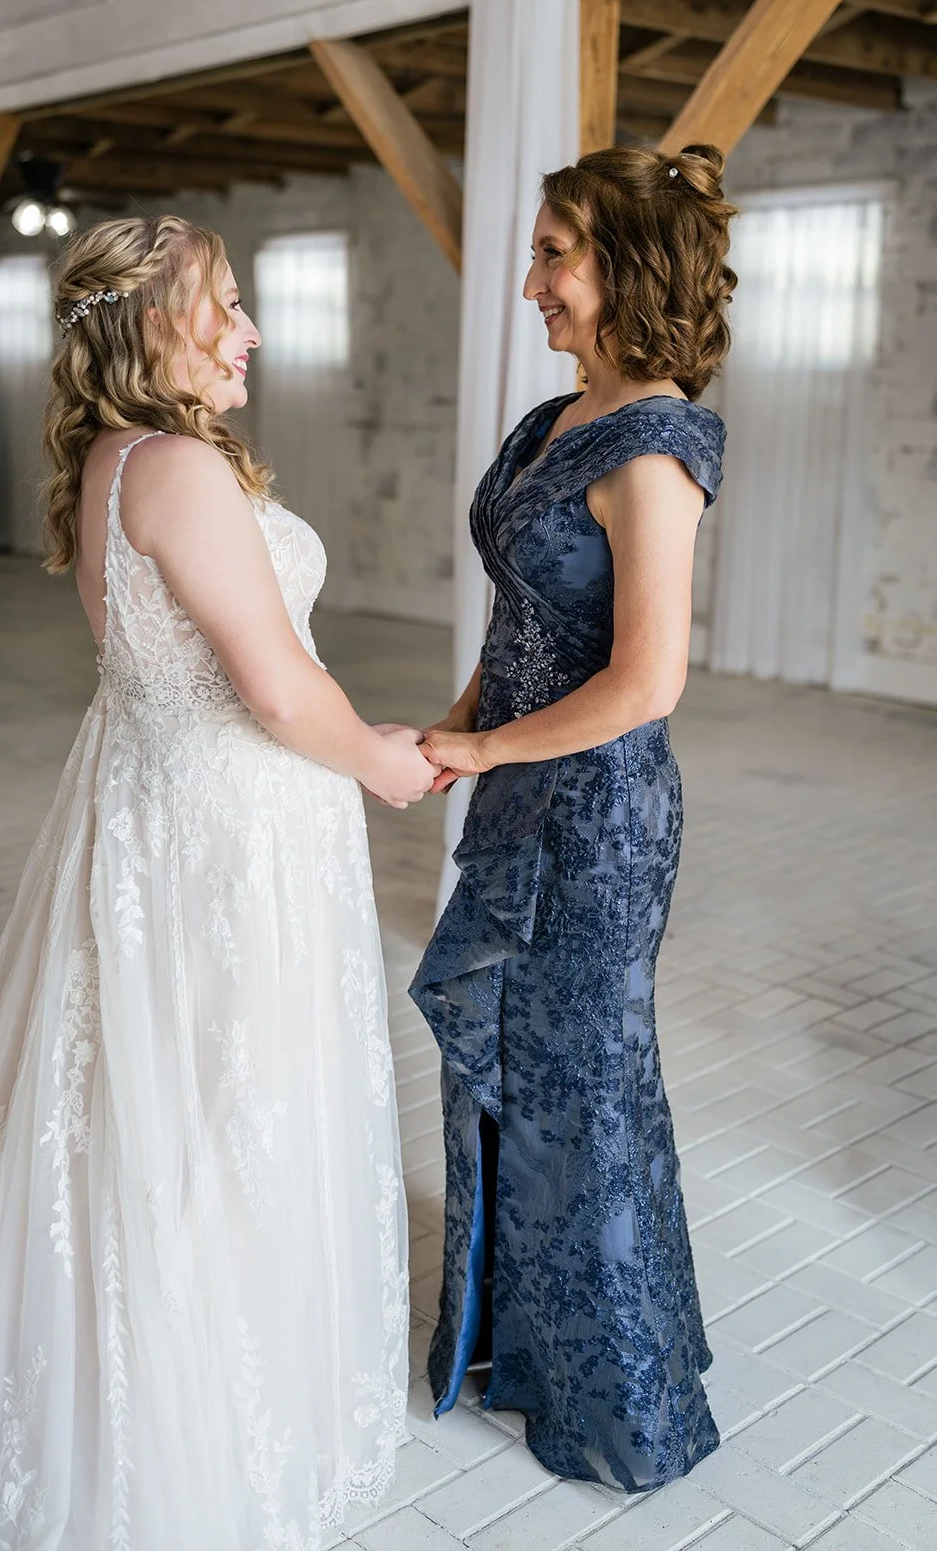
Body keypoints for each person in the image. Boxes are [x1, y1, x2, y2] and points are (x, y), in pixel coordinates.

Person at [0, 215, 435, 1549]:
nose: (249, 331)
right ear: (147, 325)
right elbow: (276, 683)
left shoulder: (114, 459)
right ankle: (188, 1411)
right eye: (223, 304)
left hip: (165, 804)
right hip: (231, 825)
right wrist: (380, 760)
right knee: (225, 1098)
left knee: (164, 1092)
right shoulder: (174, 466)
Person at [410, 144, 737, 1492]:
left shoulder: (655, 445)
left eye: (555, 254)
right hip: (515, 797)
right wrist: (456, 732)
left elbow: (645, 681)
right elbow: (524, 619)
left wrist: (486, 743)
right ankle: (516, 1345)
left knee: (582, 1092)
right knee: (504, 1071)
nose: (532, 281)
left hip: (597, 823)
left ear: (627, 269)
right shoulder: (551, 420)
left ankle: (619, 1402)